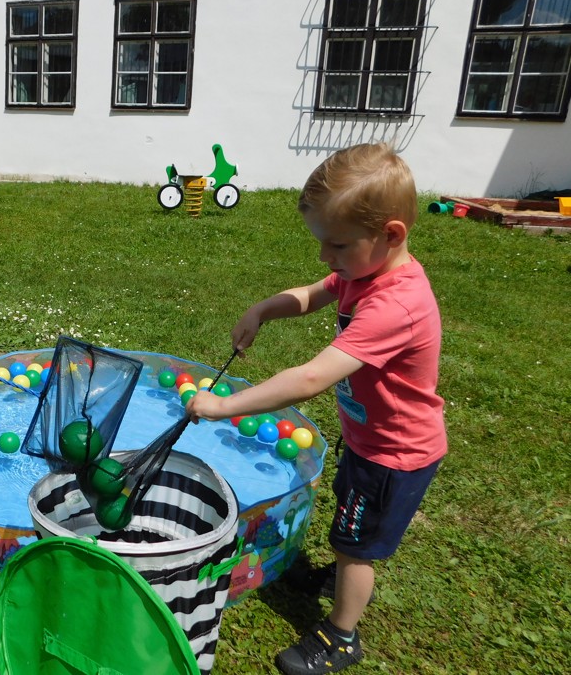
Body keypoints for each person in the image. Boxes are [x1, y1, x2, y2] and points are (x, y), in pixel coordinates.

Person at [185, 143, 447, 675]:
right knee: (352, 522)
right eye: (322, 242)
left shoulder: (395, 304)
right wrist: (263, 309)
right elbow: (311, 293)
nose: (326, 257)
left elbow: (310, 378)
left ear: (391, 234)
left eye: (337, 244)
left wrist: (221, 406)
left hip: (395, 454)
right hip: (369, 440)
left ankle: (341, 637)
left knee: (358, 547)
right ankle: (340, 571)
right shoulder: (362, 271)